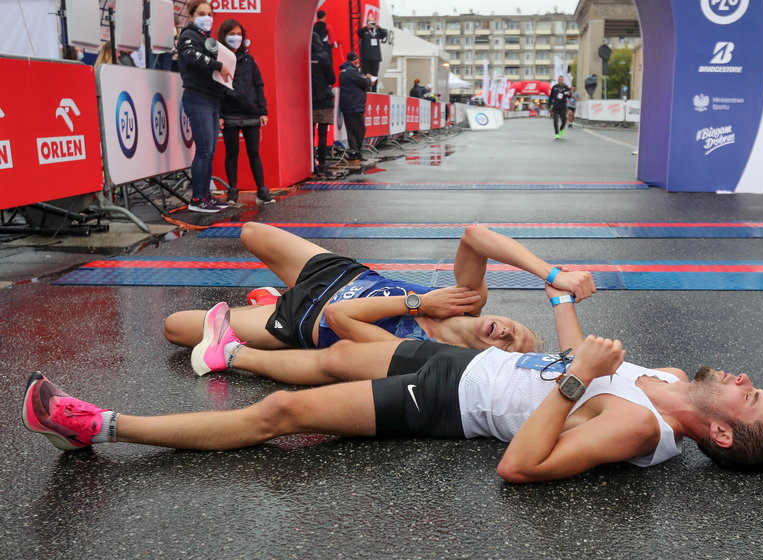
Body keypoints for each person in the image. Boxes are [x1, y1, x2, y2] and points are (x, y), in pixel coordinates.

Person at [23, 287, 763, 481]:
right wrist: (556, 312)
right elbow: (576, 366)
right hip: (461, 364)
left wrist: (579, 375)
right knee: (336, 343)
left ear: (721, 433)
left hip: (448, 404)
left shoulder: (640, 432)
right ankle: (237, 349)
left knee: (284, 414)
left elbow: (521, 465)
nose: (747, 379)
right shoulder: (659, 378)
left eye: (750, 397)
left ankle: (100, 425)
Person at [163, 223, 596, 373]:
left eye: (507, 345)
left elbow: (341, 316)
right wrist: (552, 274)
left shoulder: (423, 354)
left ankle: (270, 304)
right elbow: (475, 236)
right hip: (339, 272)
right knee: (251, 232)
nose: (504, 333)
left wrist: (420, 304)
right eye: (514, 330)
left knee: (177, 328)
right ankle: (268, 297)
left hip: (302, 320)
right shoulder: (470, 299)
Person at [177, 1, 233, 213]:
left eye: (210, 13)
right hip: (197, 98)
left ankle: (206, 196)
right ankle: (198, 198)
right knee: (204, 150)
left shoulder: (206, 39)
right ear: (191, 16)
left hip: (211, 98)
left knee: (210, 151)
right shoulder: (188, 37)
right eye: (202, 13)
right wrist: (219, 65)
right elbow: (192, 58)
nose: (207, 17)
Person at [217, 19, 273, 205]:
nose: (236, 37)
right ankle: (232, 191)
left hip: (251, 113)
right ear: (224, 36)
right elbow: (215, 88)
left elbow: (259, 85)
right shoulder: (218, 59)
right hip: (229, 113)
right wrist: (219, 115)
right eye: (232, 34)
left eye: (239, 34)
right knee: (232, 153)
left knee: (254, 153)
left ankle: (262, 190)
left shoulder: (250, 59)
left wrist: (262, 111)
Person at [338, 52, 371, 167]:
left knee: (351, 131)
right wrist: (368, 79)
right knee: (359, 130)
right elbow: (365, 83)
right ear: (354, 60)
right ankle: (356, 152)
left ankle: (355, 152)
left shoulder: (343, 71)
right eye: (357, 60)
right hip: (355, 105)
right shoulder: (352, 72)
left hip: (348, 105)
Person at [311, 33, 336, 177]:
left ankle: (309, 162)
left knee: (309, 134)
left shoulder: (303, 56)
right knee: (322, 133)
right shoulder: (324, 55)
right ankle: (322, 163)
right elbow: (332, 78)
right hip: (324, 100)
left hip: (307, 101)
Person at [357, 16, 388, 92]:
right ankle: (367, 89)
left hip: (375, 58)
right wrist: (366, 27)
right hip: (366, 58)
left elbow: (384, 34)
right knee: (366, 75)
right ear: (367, 22)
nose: (371, 23)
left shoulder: (377, 31)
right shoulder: (364, 31)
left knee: (374, 75)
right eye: (369, 22)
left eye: (372, 22)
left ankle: (374, 90)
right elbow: (359, 34)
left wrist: (379, 27)